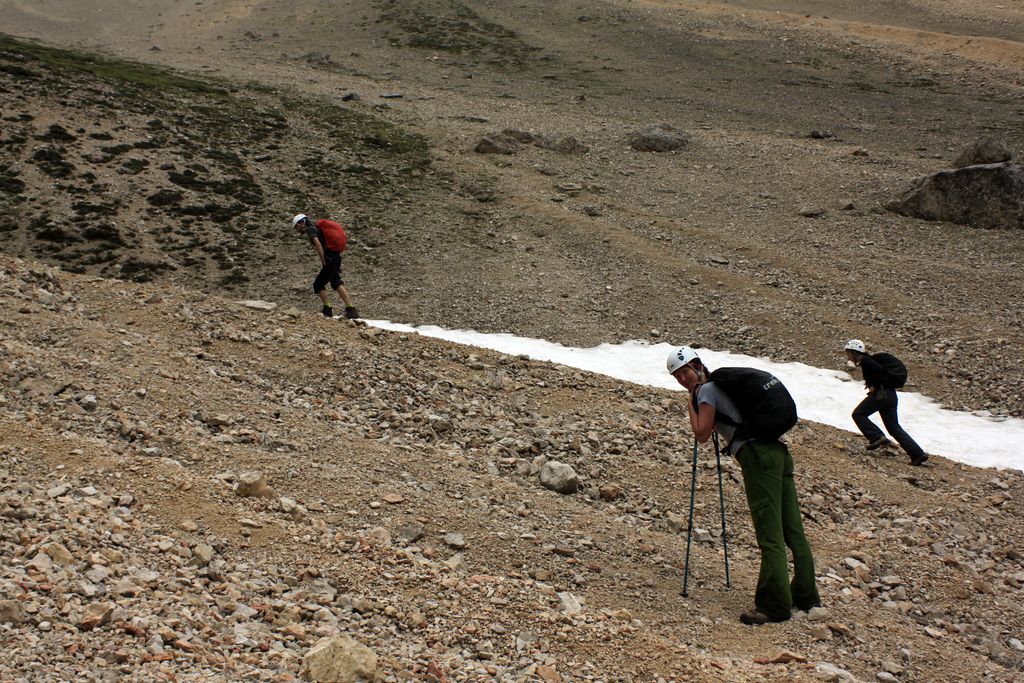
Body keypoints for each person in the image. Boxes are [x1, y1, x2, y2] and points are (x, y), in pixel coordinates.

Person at [667, 346, 820, 625]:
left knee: (769, 533)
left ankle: (774, 606)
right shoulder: (723, 386)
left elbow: (701, 433)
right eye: (677, 376)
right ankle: (806, 597)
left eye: (685, 372)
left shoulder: (707, 391)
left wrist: (691, 403)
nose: (683, 379)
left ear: (698, 366)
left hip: (757, 458)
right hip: (777, 454)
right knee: (792, 529)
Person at [844, 339, 927, 466]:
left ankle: (876, 437)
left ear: (853, 351)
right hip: (891, 395)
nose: (847, 355)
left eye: (848, 352)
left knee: (858, 414)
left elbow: (878, 370)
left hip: (881, 394)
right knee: (893, 427)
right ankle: (917, 454)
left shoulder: (866, 360)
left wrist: (874, 385)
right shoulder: (868, 360)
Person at [292, 213, 359, 319]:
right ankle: (327, 309)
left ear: (301, 223)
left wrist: (323, 261)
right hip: (333, 257)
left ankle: (351, 310)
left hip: (330, 259)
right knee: (318, 284)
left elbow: (318, 244)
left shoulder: (311, 230)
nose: (297, 230)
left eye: (296, 227)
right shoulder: (316, 228)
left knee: (336, 283)